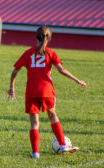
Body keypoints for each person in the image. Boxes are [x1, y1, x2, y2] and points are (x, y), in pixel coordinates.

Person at [7, 26, 87, 158]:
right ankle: (62, 144)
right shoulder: (51, 53)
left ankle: (35, 153)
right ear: (49, 38)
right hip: (46, 90)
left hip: (31, 91)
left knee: (34, 123)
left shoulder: (28, 53)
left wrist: (12, 87)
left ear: (36, 37)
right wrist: (77, 80)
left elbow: (15, 71)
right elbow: (61, 70)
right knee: (52, 116)